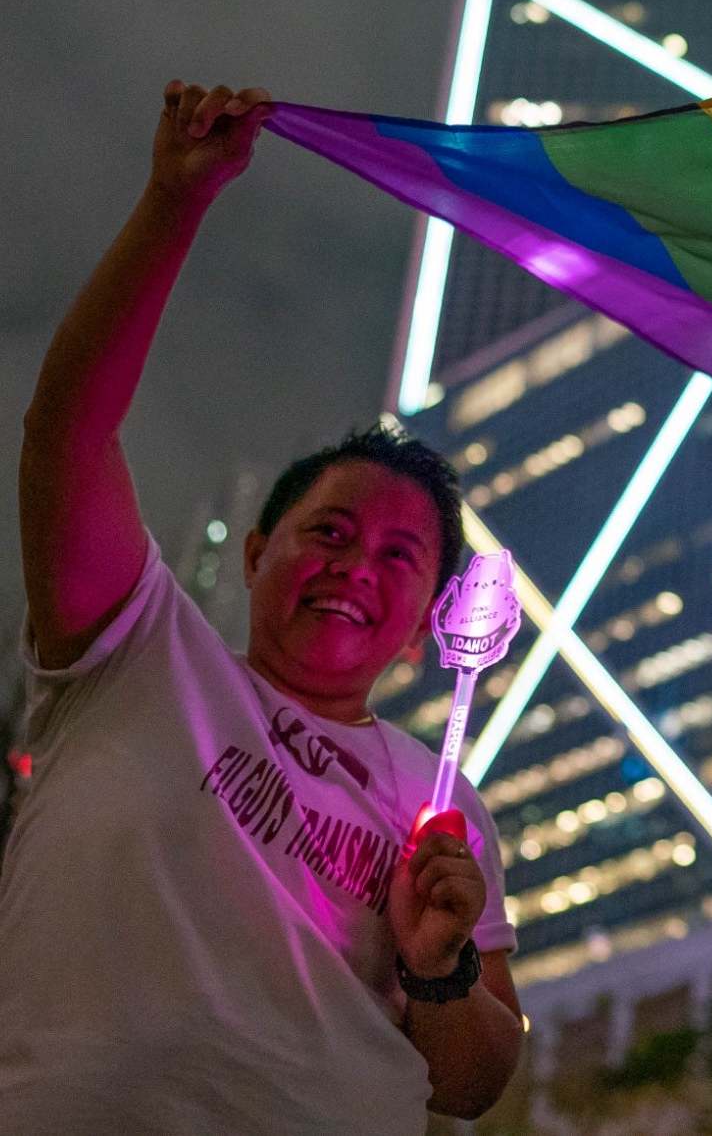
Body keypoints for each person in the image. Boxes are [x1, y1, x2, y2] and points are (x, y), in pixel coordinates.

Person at [2, 81, 523, 1133]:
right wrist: (173, 202)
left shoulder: (443, 802)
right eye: (327, 530)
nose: (354, 564)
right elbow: (69, 431)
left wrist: (438, 967)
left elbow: (470, 1082)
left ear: (430, 619)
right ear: (254, 552)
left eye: (398, 554)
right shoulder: (132, 647)